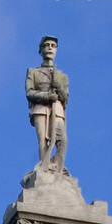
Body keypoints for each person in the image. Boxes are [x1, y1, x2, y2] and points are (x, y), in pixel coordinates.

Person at [25, 36, 68, 172]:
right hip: (40, 109)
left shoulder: (62, 75)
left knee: (62, 141)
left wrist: (58, 88)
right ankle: (45, 167)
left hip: (58, 110)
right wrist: (47, 96)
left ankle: (57, 167)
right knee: (43, 141)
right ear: (41, 50)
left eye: (53, 45)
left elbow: (65, 97)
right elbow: (30, 93)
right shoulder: (33, 72)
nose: (50, 47)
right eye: (46, 45)